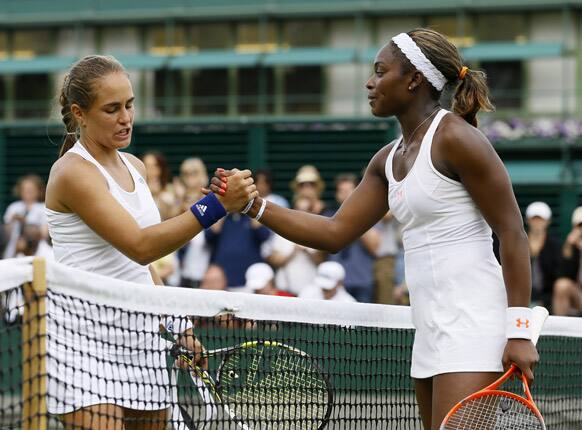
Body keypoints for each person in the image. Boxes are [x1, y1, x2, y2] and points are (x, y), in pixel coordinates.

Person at [210, 28, 538, 430]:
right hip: (429, 331)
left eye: (380, 71)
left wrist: (519, 329)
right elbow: (333, 233)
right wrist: (252, 205)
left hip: (476, 327)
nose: (370, 82)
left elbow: (512, 231)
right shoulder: (386, 159)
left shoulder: (456, 137)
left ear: (414, 79)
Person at [44, 55, 256, 430]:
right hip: (83, 346)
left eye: (129, 105)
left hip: (142, 342)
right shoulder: (72, 173)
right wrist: (216, 205)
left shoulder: (136, 167)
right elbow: (140, 245)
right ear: (80, 113)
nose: (125, 117)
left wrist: (180, 327)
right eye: (111, 109)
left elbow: (140, 268)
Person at [323, 173, 379, 303]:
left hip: (362, 281)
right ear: (337, 194)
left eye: (349, 191)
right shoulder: (329, 215)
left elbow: (375, 247)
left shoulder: (369, 214)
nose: (345, 195)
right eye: (341, 191)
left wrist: (356, 217)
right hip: (334, 282)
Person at [262, 196, 326, 296]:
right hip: (286, 290)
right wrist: (294, 250)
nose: (302, 213)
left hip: (311, 291)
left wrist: (307, 250)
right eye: (299, 209)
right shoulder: (281, 231)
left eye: (306, 209)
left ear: (311, 212)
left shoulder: (317, 233)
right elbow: (275, 261)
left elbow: (321, 262)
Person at [523, 202, 560, 310]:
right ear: (528, 220)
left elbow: (558, 275)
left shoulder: (555, 245)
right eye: (534, 219)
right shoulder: (519, 243)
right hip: (522, 295)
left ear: (548, 221)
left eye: (541, 219)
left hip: (547, 297)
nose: (537, 223)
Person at [3, 174, 49, 259]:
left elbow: (44, 233)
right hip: (14, 252)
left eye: (31, 189)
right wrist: (12, 221)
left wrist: (25, 224)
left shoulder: (43, 208)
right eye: (25, 189)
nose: (28, 192)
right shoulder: (13, 207)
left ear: (39, 191)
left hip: (38, 252)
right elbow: (5, 234)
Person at [553, 206, 582, 316]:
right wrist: (568, 247)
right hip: (578, 296)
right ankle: (560, 330)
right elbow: (561, 275)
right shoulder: (571, 247)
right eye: (580, 226)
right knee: (562, 285)